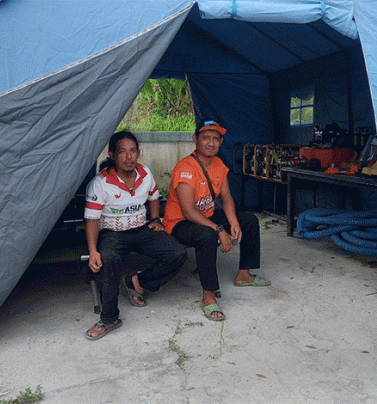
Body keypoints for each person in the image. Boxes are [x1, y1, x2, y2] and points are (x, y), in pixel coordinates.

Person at [162, 119, 270, 321]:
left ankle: (244, 274)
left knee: (248, 220)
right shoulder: (185, 167)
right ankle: (208, 296)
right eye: (206, 138)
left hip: (208, 215)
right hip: (179, 222)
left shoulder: (219, 164)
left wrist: (233, 222)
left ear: (220, 142)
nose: (211, 143)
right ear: (195, 139)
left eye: (215, 139)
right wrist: (220, 228)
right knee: (208, 235)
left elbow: (226, 198)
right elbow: (188, 211)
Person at [84, 131, 187, 340]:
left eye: (133, 151)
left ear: (139, 153)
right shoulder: (100, 183)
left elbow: (154, 196)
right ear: (112, 154)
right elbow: (92, 220)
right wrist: (93, 251)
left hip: (141, 229)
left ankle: (137, 282)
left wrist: (156, 219)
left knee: (177, 253)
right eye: (122, 152)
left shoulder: (145, 173)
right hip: (112, 234)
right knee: (109, 259)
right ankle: (109, 318)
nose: (128, 157)